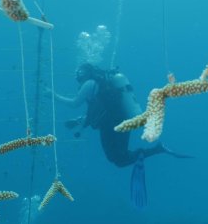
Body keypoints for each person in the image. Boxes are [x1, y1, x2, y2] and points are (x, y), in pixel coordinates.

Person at [56, 63, 188, 208]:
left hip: (112, 125)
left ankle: (156, 149)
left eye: (79, 73)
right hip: (121, 122)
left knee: (118, 160)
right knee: (119, 158)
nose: (77, 77)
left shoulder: (90, 84)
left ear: (84, 73)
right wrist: (78, 121)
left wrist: (52, 95)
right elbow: (97, 110)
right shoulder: (100, 85)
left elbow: (75, 104)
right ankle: (156, 149)